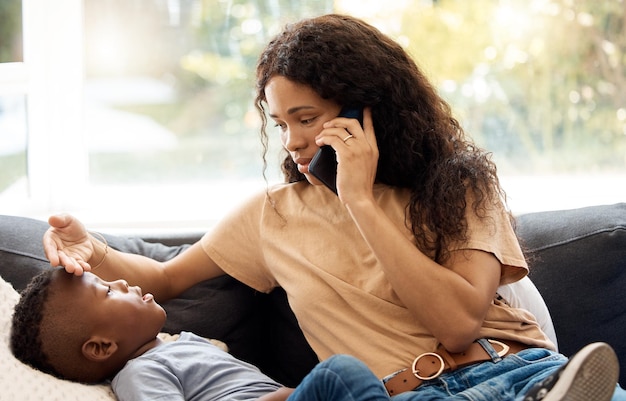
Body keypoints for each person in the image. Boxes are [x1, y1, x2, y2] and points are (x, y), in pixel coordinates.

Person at [42, 14, 623, 401]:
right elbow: (164, 279)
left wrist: (361, 203)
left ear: (368, 111)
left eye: (307, 119)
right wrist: (94, 251)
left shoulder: (459, 185)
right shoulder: (270, 216)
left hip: (515, 371)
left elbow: (456, 323)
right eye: (280, 123)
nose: (292, 143)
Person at [10, 267, 392, 401]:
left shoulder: (177, 344)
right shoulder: (139, 373)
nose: (123, 281)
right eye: (108, 290)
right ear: (101, 346)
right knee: (339, 372)